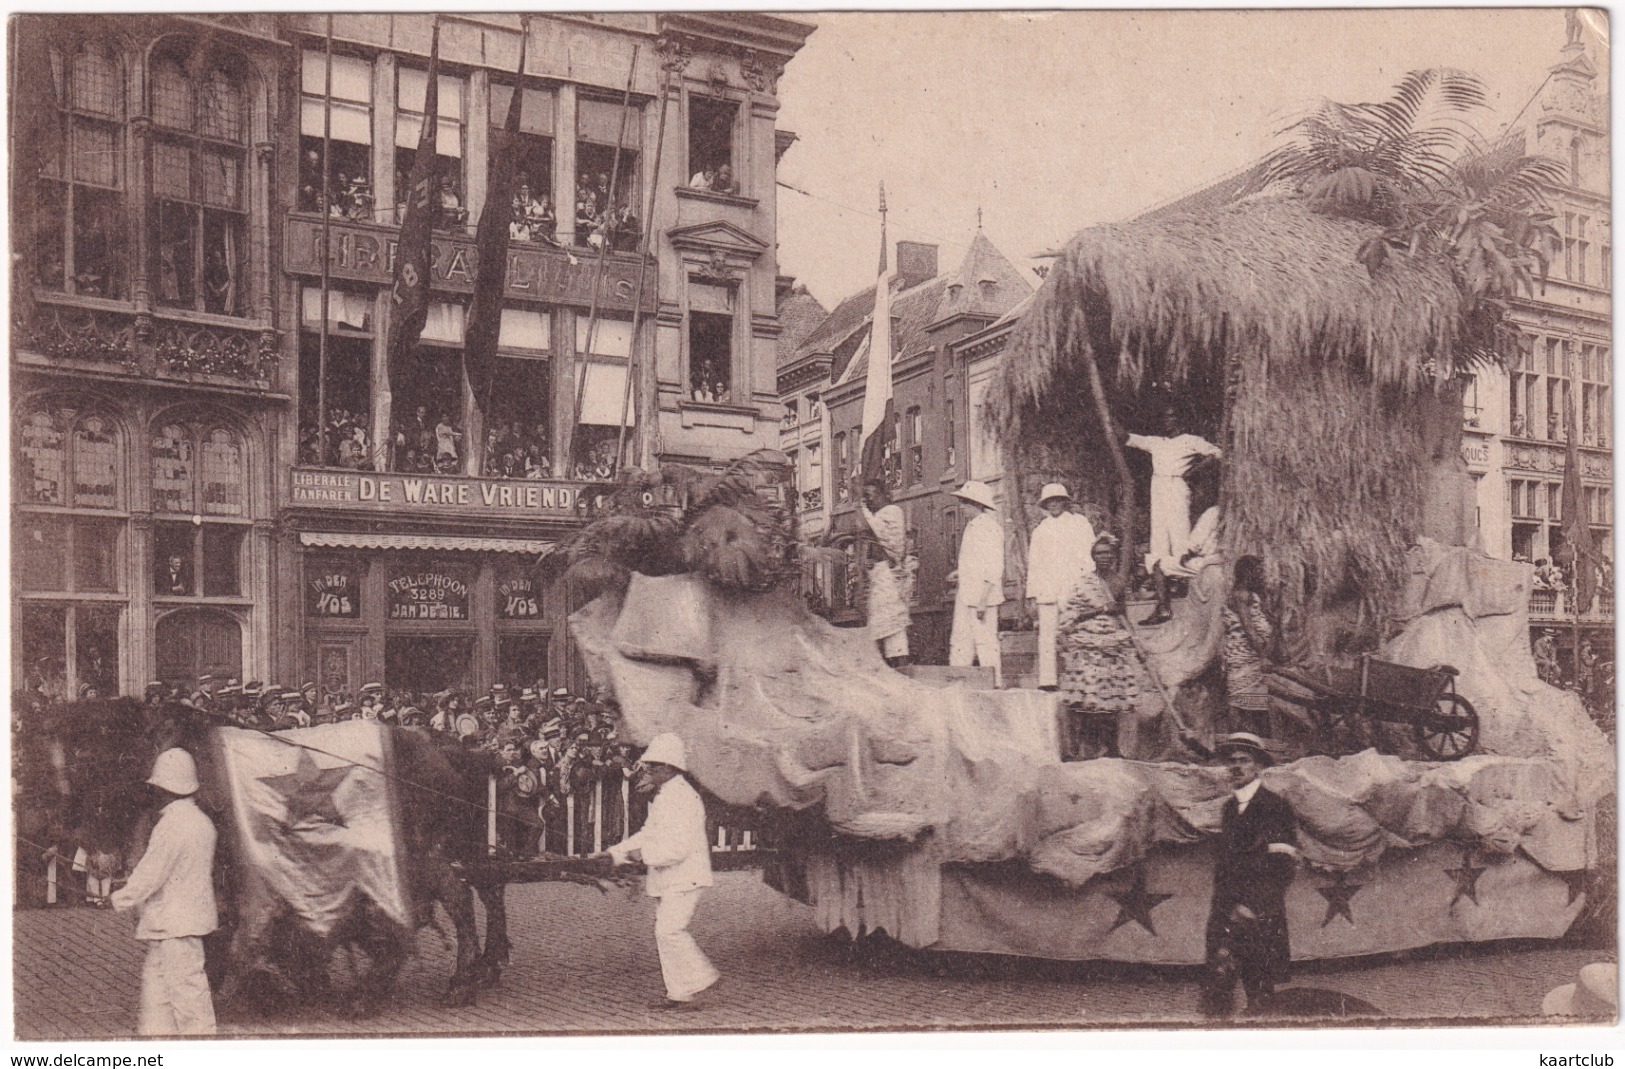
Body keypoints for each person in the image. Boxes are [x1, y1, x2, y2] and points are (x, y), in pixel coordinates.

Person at [603, 733, 718, 1009]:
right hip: (670, 878)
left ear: (669, 768)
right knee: (665, 932)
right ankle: (679, 993)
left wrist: (641, 855)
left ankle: (703, 976)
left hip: (685, 876)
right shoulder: (666, 795)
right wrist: (616, 852)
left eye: (653, 766)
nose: (649, 770)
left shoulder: (683, 798)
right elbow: (648, 833)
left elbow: (677, 849)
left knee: (669, 931)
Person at [110, 749, 219, 1036]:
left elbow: (151, 873)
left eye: (157, 788)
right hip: (173, 927)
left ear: (165, 789)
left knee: (190, 1007)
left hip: (175, 928)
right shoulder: (202, 822)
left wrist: (118, 897)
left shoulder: (172, 824)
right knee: (156, 1006)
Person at [1200, 732, 1297, 1019]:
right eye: (1232, 761)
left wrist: (1251, 907)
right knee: (1219, 989)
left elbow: (1282, 867)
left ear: (1258, 767)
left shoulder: (1274, 806)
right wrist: (1225, 910)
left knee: (1260, 994)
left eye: (1244, 760)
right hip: (1225, 912)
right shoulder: (1230, 808)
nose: (1236, 766)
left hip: (1257, 914)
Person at [1057, 533, 1157, 759]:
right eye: (1099, 553)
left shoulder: (1118, 582)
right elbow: (1074, 613)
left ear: (1113, 556)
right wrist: (1102, 609)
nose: (1103, 557)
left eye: (1107, 553)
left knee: (1113, 698)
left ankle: (1111, 747)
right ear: (1093, 556)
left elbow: (1123, 614)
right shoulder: (1084, 583)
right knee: (1089, 697)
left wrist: (1135, 641)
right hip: (1088, 641)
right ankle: (1088, 748)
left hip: (1113, 642)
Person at [1125, 404, 1222, 625]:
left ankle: (1184, 591)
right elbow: (1127, 438)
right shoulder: (1156, 442)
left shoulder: (1190, 440)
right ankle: (1163, 603)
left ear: (1181, 419)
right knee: (1158, 541)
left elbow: (1217, 453)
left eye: (1172, 416)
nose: (1168, 421)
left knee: (1180, 540)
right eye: (1165, 417)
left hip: (1177, 486)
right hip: (1158, 487)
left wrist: (1192, 472)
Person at [1025, 483, 1096, 690]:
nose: (1054, 504)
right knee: (1047, 633)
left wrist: (1088, 584)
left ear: (1065, 502)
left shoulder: (1079, 523)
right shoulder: (1040, 530)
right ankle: (1048, 680)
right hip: (1047, 588)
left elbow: (1089, 555)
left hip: (1072, 585)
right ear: (1045, 504)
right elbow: (1034, 564)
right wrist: (1032, 594)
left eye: (1057, 500)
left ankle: (1081, 677)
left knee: (1076, 629)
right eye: (1050, 501)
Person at [947, 480, 1005, 684]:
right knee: (961, 639)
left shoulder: (990, 528)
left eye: (965, 503)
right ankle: (959, 682)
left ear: (976, 504)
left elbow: (994, 566)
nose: (962, 507)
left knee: (986, 641)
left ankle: (994, 684)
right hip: (967, 593)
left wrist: (983, 600)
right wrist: (960, 573)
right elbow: (974, 562)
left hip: (982, 596)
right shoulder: (972, 527)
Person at [858, 478, 916, 667]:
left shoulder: (892, 512)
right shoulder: (877, 515)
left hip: (889, 577)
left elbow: (884, 535)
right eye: (865, 497)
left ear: (884, 495)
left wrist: (863, 512)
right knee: (881, 626)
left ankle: (900, 666)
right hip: (879, 575)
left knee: (893, 626)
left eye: (871, 495)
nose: (868, 500)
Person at [1222, 556, 1275, 737]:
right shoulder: (1241, 595)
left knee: (1256, 703)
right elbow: (1248, 628)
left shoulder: (1250, 595)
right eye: (1258, 571)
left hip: (1251, 656)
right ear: (1248, 573)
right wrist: (1263, 656)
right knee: (1240, 701)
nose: (1261, 575)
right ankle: (1237, 741)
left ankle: (1258, 742)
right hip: (1244, 655)